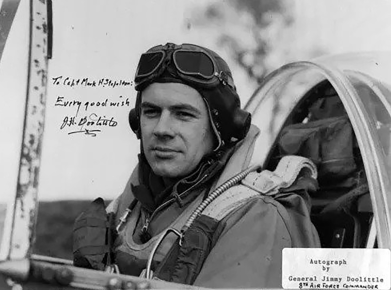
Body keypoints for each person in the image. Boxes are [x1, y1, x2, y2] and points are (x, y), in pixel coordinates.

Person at [73, 42, 321, 288]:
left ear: (221, 128)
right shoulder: (132, 205)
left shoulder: (255, 217)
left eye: (183, 114)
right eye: (151, 112)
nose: (161, 129)